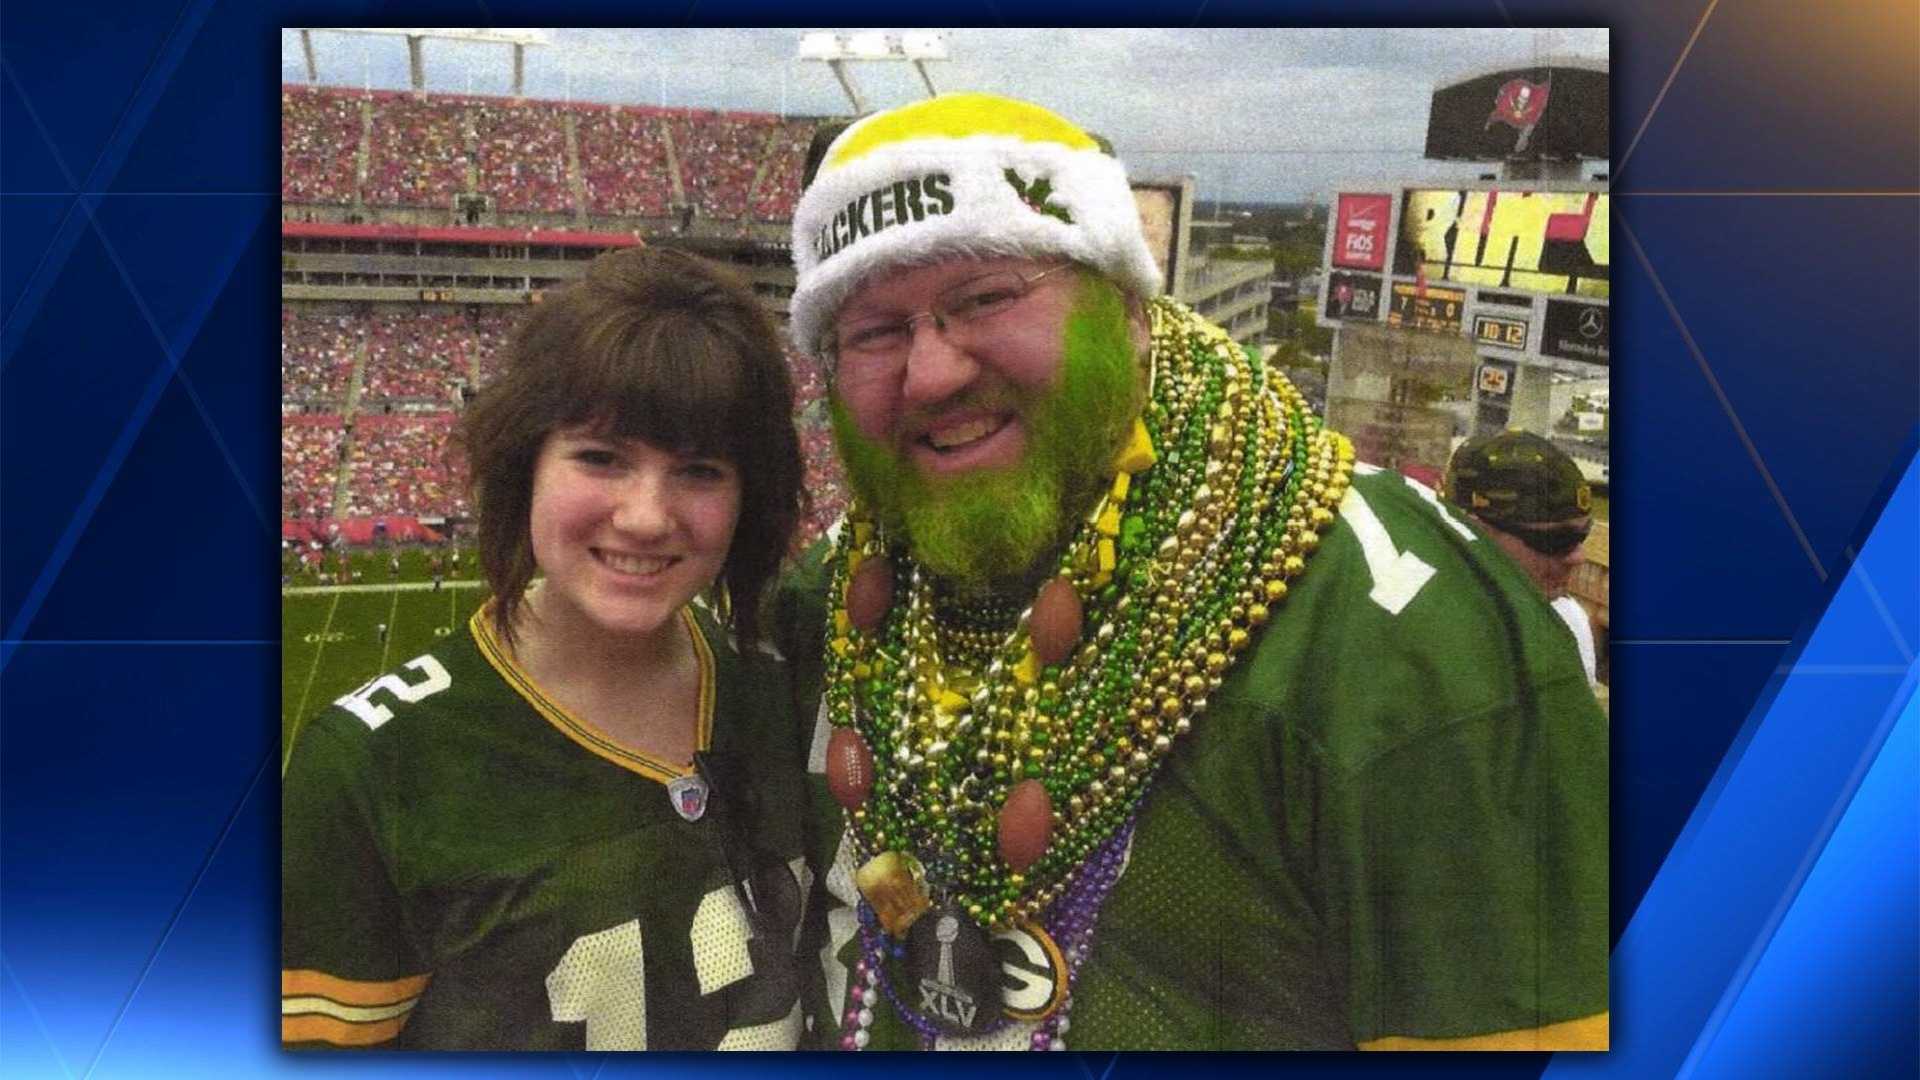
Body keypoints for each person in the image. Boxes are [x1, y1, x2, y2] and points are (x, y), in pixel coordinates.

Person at [773, 94, 1608, 1051]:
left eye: (987, 298)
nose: (930, 374)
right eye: (872, 332)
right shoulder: (833, 598)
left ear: (1129, 309)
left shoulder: (1407, 643)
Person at [282, 248, 812, 1050]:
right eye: (601, 458)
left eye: (700, 471)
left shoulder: (780, 685)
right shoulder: (366, 767)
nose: (645, 516)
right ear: (523, 462)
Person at [1445, 430, 1600, 686]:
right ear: (1474, 533)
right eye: (1557, 541)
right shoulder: (1406, 620)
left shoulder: (1564, 620)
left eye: (1583, 536)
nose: (1577, 557)